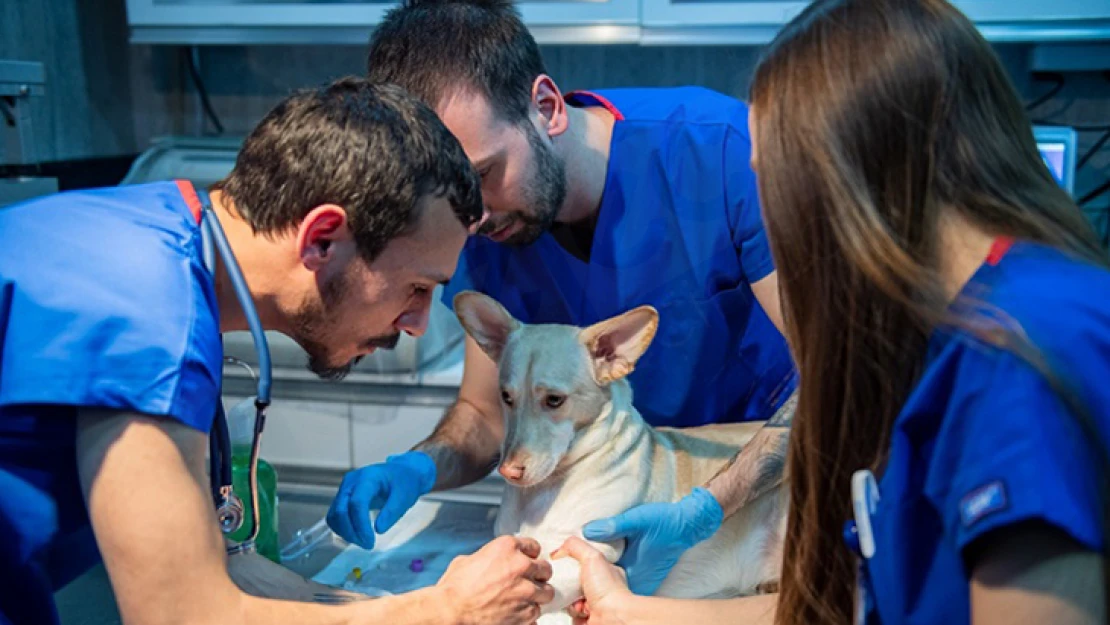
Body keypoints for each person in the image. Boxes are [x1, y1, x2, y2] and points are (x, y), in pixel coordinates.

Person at [553, 0, 1110, 623]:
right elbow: (867, 607)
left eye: (773, 183)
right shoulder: (950, 334)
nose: (771, 222)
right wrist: (631, 612)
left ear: (849, 173)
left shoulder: (1017, 356)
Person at [0, 77, 555, 625]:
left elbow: (224, 569)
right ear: (321, 240)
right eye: (417, 288)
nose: (416, 325)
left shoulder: (165, 237)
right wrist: (444, 611)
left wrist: (399, 608)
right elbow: (180, 615)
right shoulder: (146, 315)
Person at [327, 0, 797, 595]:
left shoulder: (722, 155)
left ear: (545, 107)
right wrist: (418, 466)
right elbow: (481, 416)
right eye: (453, 200)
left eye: (486, 175)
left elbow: (843, 380)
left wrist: (707, 506)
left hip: (771, 503)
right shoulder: (481, 226)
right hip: (619, 528)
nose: (473, 220)